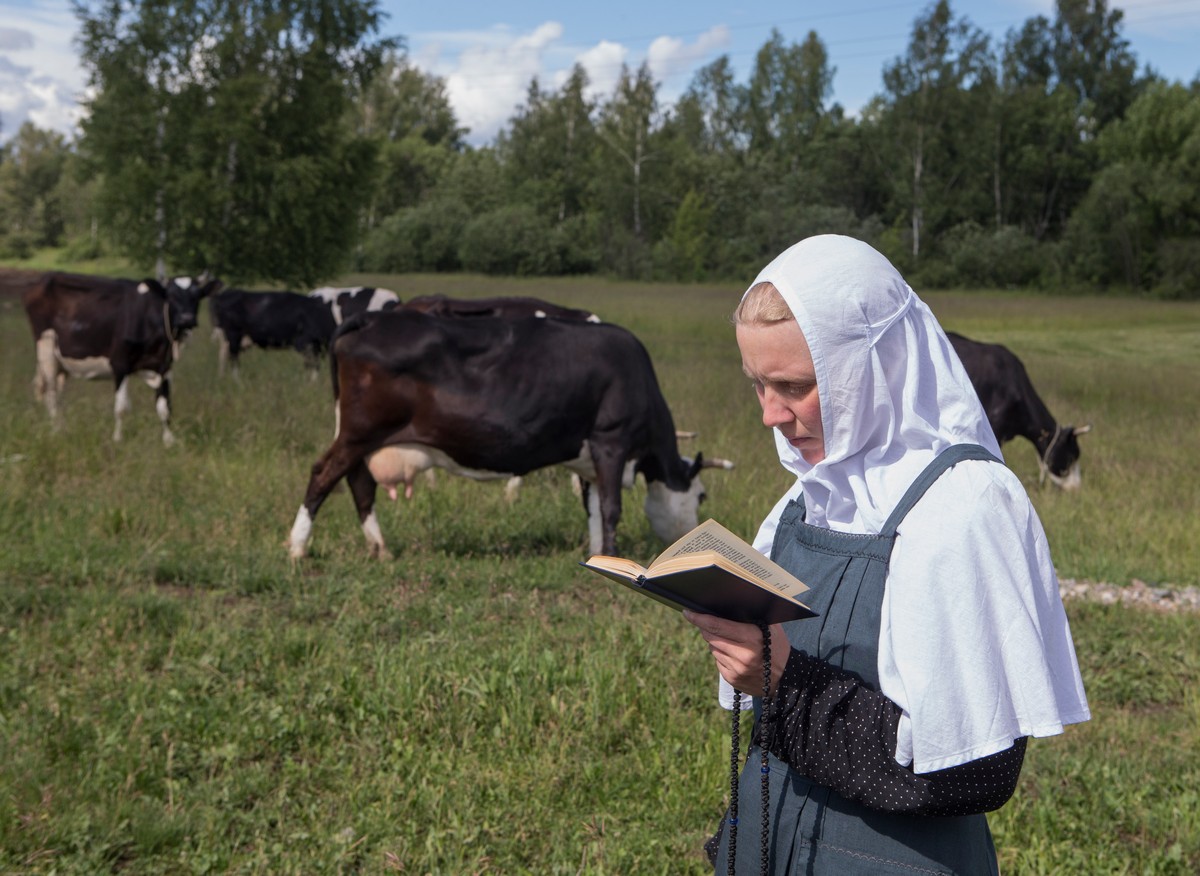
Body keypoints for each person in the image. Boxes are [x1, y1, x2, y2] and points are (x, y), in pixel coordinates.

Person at [684, 235, 1090, 875]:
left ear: (876, 366)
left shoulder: (965, 507)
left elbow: (975, 773)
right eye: (756, 383)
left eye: (793, 385)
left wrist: (784, 681)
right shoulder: (804, 499)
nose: (769, 414)